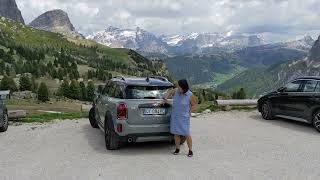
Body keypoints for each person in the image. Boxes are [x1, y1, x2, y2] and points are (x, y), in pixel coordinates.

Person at [162, 79, 196, 157]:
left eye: (179, 87)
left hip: (184, 117)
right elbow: (170, 92)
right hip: (175, 116)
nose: (178, 88)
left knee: (187, 134)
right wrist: (165, 99)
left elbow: (193, 105)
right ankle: (177, 149)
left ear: (184, 87)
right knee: (176, 133)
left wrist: (189, 113)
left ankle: (190, 150)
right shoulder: (176, 91)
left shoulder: (190, 95)